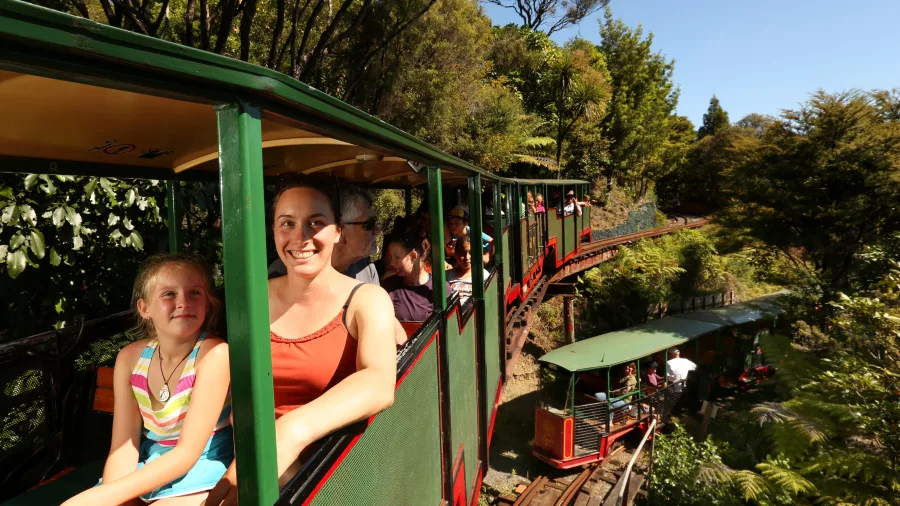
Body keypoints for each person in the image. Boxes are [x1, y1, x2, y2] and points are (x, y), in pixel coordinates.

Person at [208, 177, 397, 505]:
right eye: (288, 223)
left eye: (316, 223)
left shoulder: (367, 299)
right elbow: (242, 394)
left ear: (337, 231)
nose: (301, 237)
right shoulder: (253, 299)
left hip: (337, 471)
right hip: (257, 465)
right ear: (275, 231)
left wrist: (290, 433)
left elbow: (379, 382)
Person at [64, 254, 232, 506]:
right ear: (145, 309)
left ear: (207, 304)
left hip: (202, 466)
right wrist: (112, 496)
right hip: (152, 462)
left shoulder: (214, 354)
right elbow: (124, 446)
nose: (184, 302)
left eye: (195, 292)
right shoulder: (131, 359)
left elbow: (186, 454)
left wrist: (104, 496)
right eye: (169, 294)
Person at [268, 185, 379, 285]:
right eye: (369, 224)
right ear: (340, 231)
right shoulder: (280, 274)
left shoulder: (366, 269)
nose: (377, 230)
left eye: (316, 223)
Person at [383, 230, 450, 321]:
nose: (392, 263)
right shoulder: (389, 285)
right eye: (391, 257)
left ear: (413, 256)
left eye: (397, 257)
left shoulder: (440, 288)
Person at [445, 234, 488, 303]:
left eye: (471, 253)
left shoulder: (483, 275)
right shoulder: (447, 276)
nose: (467, 258)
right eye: (462, 253)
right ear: (456, 254)